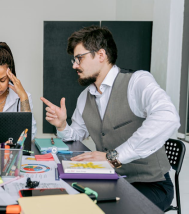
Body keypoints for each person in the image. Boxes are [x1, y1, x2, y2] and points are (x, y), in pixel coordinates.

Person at [41, 26, 179, 211]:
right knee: (69, 203)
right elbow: (76, 135)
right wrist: (62, 125)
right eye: (73, 60)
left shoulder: (137, 82)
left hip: (151, 184)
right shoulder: (85, 97)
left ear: (101, 55)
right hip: (109, 179)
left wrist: (112, 157)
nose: (74, 65)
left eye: (79, 58)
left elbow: (168, 117)